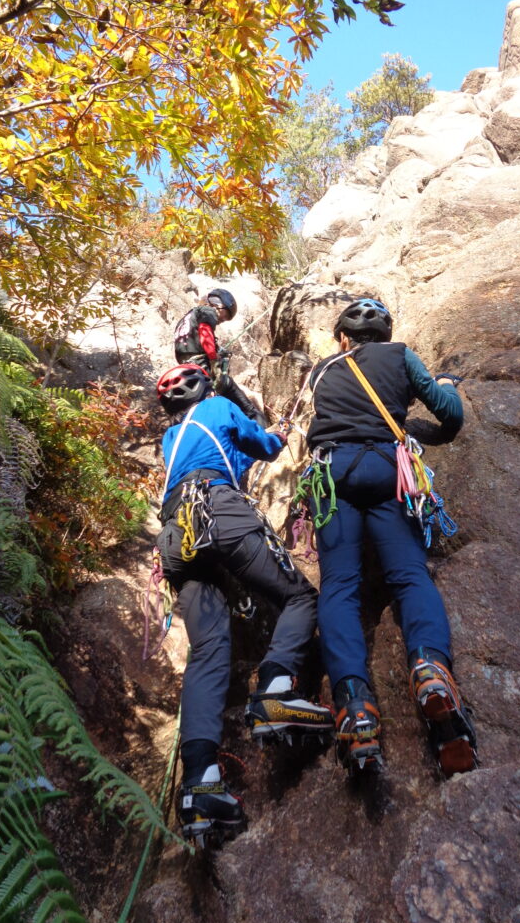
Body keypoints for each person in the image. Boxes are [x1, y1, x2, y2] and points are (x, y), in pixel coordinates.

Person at [155, 363, 333, 844]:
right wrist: (277, 434)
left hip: (175, 537)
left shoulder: (171, 440)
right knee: (298, 597)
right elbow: (264, 446)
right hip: (218, 512)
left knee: (209, 649)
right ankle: (276, 688)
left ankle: (200, 784)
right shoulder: (217, 406)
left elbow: (225, 456)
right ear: (204, 388)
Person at [304, 298, 477, 777]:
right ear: (385, 335)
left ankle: (354, 704)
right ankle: (430, 670)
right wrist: (445, 384)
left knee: (339, 587)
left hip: (332, 476)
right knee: (409, 576)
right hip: (388, 471)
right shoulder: (401, 355)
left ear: (343, 338)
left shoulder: (322, 370)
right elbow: (450, 417)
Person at [173, 286, 268, 427]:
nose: (221, 321)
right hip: (201, 367)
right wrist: (214, 360)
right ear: (219, 305)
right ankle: (260, 428)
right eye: (224, 316)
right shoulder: (208, 311)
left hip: (187, 370)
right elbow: (205, 334)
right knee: (245, 405)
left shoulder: (187, 318)